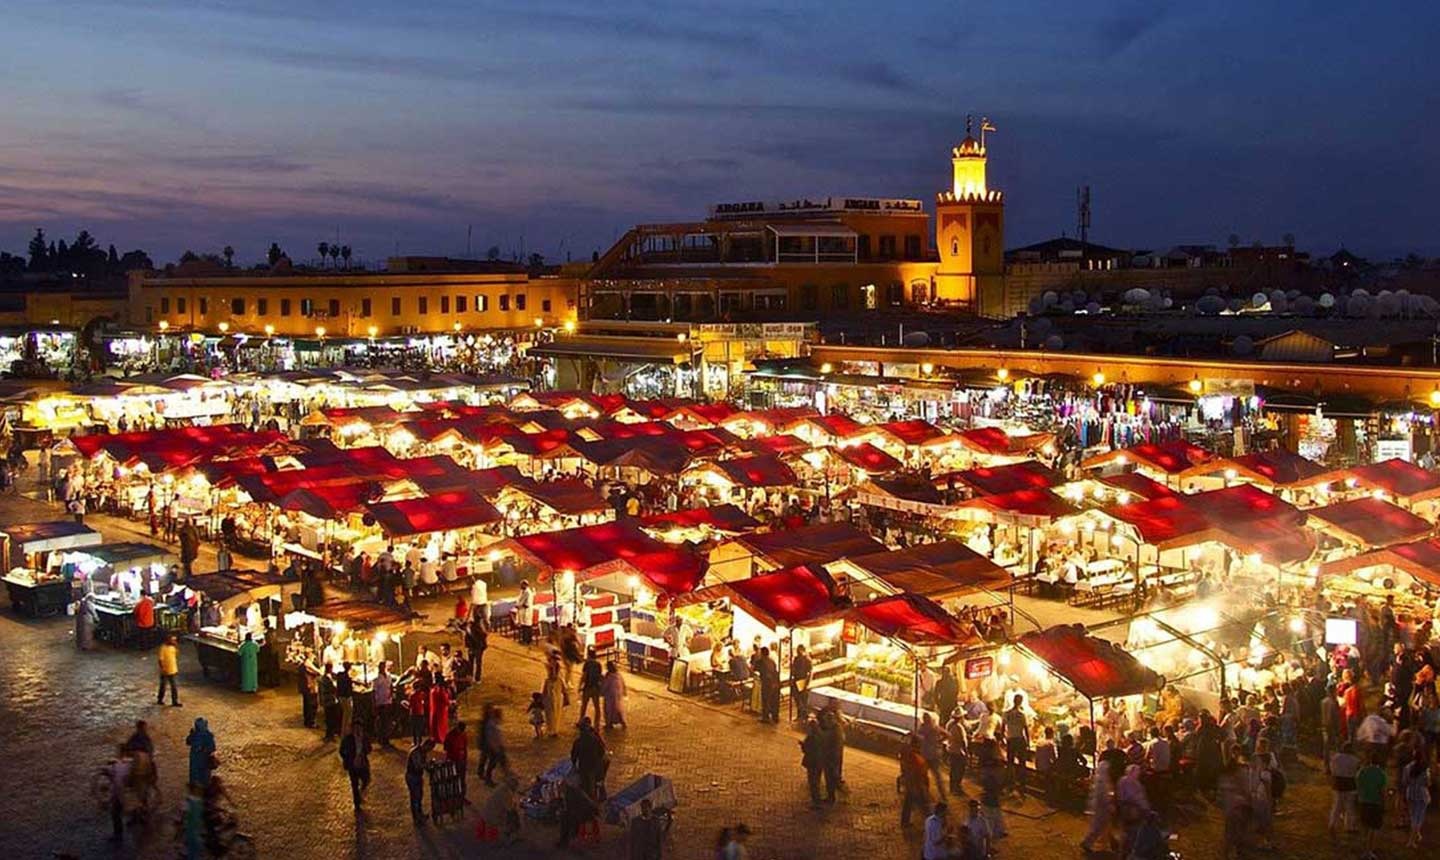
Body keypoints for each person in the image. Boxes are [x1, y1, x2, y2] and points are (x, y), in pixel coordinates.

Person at [1356, 753, 1387, 859]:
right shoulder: (1381, 774)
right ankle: (1369, 850)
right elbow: (1382, 792)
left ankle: (1365, 848)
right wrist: (1384, 803)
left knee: (1364, 826)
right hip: (1375, 803)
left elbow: (1358, 786)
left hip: (1363, 802)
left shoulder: (1362, 772)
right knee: (1373, 828)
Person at [571, 717, 609, 796]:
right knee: (597, 782)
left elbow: (573, 757)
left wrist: (575, 765)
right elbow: (602, 751)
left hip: (586, 768)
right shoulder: (595, 738)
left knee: (589, 787)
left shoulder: (578, 742)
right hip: (596, 766)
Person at [1329, 740, 1360, 835]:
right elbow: (1356, 772)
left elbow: (1332, 770)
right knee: (1349, 806)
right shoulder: (1355, 760)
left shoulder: (1335, 758)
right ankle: (1349, 826)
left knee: (1337, 805)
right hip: (1350, 784)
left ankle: (1332, 824)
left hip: (1337, 783)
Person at [339, 722, 371, 811]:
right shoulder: (348, 739)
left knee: (366, 779)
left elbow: (369, 749)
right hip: (352, 765)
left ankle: (361, 792)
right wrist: (346, 758)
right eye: (355, 728)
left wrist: (364, 752)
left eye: (359, 728)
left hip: (362, 763)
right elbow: (341, 750)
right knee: (354, 784)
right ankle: (357, 803)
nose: (357, 730)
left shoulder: (364, 738)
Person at [900, 735, 931, 827]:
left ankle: (905, 822)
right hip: (915, 783)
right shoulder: (913, 756)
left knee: (909, 802)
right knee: (921, 804)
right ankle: (929, 824)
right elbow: (915, 770)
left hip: (913, 782)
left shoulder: (911, 754)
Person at [917, 711, 948, 802]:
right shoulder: (935, 727)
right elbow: (947, 734)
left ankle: (924, 794)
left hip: (926, 755)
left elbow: (918, 736)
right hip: (935, 754)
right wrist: (940, 741)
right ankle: (943, 796)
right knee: (938, 776)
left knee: (923, 774)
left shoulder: (923, 728)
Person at [1002, 693, 1030, 791]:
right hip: (1020, 739)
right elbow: (1026, 729)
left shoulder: (1007, 713)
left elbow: (1003, 727)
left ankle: (1011, 782)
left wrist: (1003, 738)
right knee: (1022, 762)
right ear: (1021, 702)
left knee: (1010, 762)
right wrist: (1028, 741)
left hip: (1011, 739)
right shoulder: (1022, 714)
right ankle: (1022, 783)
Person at [1403, 747, 1430, 848]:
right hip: (1421, 795)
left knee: (1413, 816)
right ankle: (1411, 841)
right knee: (1418, 818)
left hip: (1410, 794)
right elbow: (1427, 783)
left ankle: (1417, 834)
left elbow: (1404, 782)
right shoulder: (1425, 769)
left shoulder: (1407, 768)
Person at [104, 746, 132, 842]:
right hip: (126, 792)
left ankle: (118, 835)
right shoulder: (129, 763)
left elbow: (114, 775)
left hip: (119, 793)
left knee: (115, 814)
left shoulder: (120, 765)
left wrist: (107, 770)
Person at [481, 706, 510, 786]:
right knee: (493, 763)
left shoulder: (494, 723)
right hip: (494, 748)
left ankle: (506, 776)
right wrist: (495, 748)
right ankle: (488, 779)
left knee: (501, 762)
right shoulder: (491, 725)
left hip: (498, 747)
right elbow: (491, 738)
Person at [800, 718, 825, 808]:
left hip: (812, 761)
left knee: (813, 782)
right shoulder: (821, 735)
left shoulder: (811, 737)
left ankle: (816, 802)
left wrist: (802, 745)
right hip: (820, 761)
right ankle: (818, 800)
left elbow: (807, 749)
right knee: (816, 780)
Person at [945, 710, 970, 797]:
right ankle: (957, 787)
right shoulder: (959, 727)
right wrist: (966, 752)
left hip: (951, 749)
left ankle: (952, 787)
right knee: (960, 770)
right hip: (958, 751)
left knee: (953, 769)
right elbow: (963, 741)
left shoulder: (949, 725)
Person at [578, 647, 605, 728]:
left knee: (584, 705)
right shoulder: (598, 664)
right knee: (597, 707)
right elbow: (600, 676)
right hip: (595, 687)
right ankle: (597, 723)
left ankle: (580, 721)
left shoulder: (587, 664)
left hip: (587, 687)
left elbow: (584, 676)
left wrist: (580, 685)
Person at [444, 720, 469, 804]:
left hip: (461, 761)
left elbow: (465, 748)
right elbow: (446, 748)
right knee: (453, 780)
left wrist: (465, 759)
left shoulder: (463, 735)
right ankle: (453, 798)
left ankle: (461, 797)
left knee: (462, 780)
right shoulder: (450, 735)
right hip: (453, 761)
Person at [186, 717, 216, 787]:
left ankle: (195, 783)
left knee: (196, 772)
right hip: (202, 758)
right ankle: (203, 784)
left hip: (197, 758)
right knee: (203, 773)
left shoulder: (196, 734)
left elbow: (188, 742)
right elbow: (212, 748)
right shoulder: (208, 735)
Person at [372, 660, 394, 746]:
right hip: (380, 702)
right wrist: (374, 703)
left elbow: (391, 686)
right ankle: (382, 738)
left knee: (387, 721)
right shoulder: (376, 679)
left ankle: (386, 738)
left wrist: (391, 696)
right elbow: (373, 692)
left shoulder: (388, 677)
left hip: (388, 701)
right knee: (382, 721)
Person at [757, 646, 781, 724]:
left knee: (765, 700)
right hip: (775, 683)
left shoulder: (761, 661)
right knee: (774, 701)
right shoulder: (772, 661)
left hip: (767, 683)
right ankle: (775, 717)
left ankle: (765, 717)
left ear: (762, 653)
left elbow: (754, 669)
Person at [602, 660, 628, 730]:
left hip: (610, 696)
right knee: (618, 709)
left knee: (609, 710)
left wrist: (601, 692)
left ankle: (609, 723)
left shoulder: (609, 676)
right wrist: (624, 693)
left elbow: (605, 685)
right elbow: (623, 684)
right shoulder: (618, 675)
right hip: (618, 695)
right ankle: (622, 722)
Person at [157, 635, 182, 706]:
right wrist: (162, 668)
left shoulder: (173, 647)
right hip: (165, 671)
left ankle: (175, 701)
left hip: (172, 669)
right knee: (163, 686)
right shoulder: (163, 648)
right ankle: (160, 699)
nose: (174, 641)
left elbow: (176, 655)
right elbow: (160, 660)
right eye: (173, 640)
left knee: (174, 687)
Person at [789, 645, 813, 719]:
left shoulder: (807, 660)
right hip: (796, 680)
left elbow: (810, 672)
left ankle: (804, 715)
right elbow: (793, 669)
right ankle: (800, 714)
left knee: (803, 700)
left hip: (803, 681)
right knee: (797, 699)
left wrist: (807, 682)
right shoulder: (796, 659)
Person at [320, 664, 342, 742]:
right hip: (329, 701)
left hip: (331, 700)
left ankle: (331, 734)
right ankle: (329, 735)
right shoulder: (325, 679)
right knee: (330, 718)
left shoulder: (328, 677)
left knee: (332, 718)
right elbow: (331, 688)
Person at [428, 675, 452, 743]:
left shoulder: (433, 689)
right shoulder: (441, 690)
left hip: (434, 709)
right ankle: (441, 737)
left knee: (435, 724)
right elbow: (445, 700)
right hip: (441, 710)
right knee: (440, 725)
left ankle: (435, 737)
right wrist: (449, 702)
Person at [406, 677, 428, 746]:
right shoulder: (422, 694)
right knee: (419, 728)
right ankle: (420, 741)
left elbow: (410, 706)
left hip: (414, 713)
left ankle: (415, 742)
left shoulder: (412, 696)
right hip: (421, 712)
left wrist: (405, 704)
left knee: (414, 729)